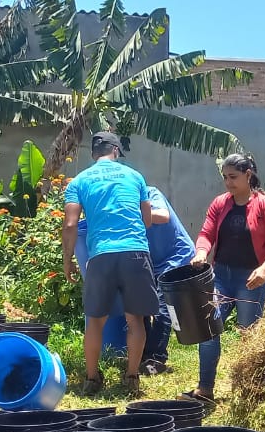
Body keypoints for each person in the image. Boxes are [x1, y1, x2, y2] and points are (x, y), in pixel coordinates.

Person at [61, 132, 158, 396]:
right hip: (135, 251)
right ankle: (131, 376)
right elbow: (147, 220)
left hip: (101, 254)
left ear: (94, 153)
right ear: (115, 150)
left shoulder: (79, 181)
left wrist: (67, 260)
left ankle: (92, 379)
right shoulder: (135, 176)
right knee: (135, 319)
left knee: (94, 321)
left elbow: (70, 224)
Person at [188, 154, 265, 402]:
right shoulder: (220, 204)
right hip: (220, 276)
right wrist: (201, 251)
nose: (228, 183)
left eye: (233, 177)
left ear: (248, 175)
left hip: (250, 279)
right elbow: (206, 232)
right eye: (225, 177)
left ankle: (249, 392)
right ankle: (205, 388)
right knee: (209, 329)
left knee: (248, 334)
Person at [86, 186, 195, 375]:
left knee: (162, 307)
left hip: (175, 256)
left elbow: (163, 215)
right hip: (147, 259)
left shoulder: (149, 193)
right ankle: (143, 356)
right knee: (139, 308)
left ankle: (156, 358)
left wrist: (131, 212)